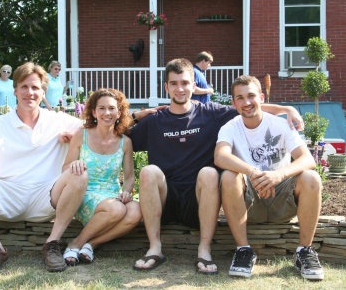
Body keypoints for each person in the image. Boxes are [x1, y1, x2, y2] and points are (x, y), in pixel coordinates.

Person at [130, 58, 304, 274]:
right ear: (166, 87)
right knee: (148, 171)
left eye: (185, 83)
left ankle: (204, 248)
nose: (180, 89)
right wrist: (135, 115)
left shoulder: (210, 113)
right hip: (165, 199)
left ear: (194, 86)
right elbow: (115, 134)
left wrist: (285, 108)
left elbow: (247, 106)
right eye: (173, 83)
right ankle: (154, 248)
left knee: (210, 172)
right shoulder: (154, 121)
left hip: (199, 201)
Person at [0, 62, 86, 276]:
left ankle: (52, 244)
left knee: (79, 174)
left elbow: (98, 127)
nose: (29, 92)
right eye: (24, 87)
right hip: (6, 196)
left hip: (48, 197)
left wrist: (75, 138)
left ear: (43, 92)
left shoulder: (59, 120)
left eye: (35, 87)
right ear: (15, 91)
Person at [214, 75, 324, 280]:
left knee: (311, 178)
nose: (246, 102)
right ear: (233, 103)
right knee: (229, 177)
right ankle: (243, 250)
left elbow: (307, 159)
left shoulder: (280, 125)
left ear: (262, 97)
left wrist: (278, 174)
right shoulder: (230, 127)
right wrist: (254, 173)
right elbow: (220, 156)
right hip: (250, 203)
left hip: (281, 195)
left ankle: (304, 252)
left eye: (251, 96)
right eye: (240, 98)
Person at [60, 88, 142, 266]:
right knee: (117, 210)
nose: (107, 113)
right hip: (85, 193)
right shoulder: (81, 136)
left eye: (112, 108)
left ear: (119, 113)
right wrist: (73, 166)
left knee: (136, 211)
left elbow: (128, 177)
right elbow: (65, 167)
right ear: (93, 112)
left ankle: (92, 244)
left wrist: (127, 192)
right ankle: (75, 243)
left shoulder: (124, 142)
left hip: (112, 195)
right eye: (102, 108)